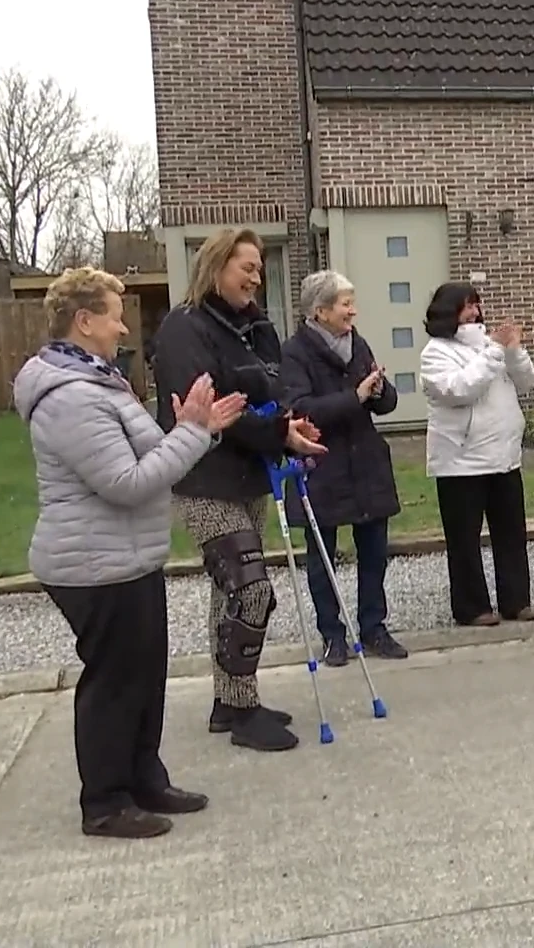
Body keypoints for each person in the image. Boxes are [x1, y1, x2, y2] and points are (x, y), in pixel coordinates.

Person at [14, 267, 243, 839]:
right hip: (92, 565)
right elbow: (127, 482)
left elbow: (153, 453)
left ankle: (144, 778)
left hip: (128, 557)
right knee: (114, 682)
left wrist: (199, 428)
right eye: (115, 315)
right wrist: (191, 435)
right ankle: (106, 803)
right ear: (84, 321)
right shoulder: (70, 398)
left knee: (145, 676)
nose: (123, 327)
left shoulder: (101, 381)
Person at [150, 226, 326, 753]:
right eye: (245, 265)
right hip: (205, 478)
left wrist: (290, 428)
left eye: (258, 267)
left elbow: (270, 394)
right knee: (251, 589)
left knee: (229, 591)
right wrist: (273, 431)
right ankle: (243, 711)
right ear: (215, 265)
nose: (255, 275)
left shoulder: (259, 328)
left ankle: (230, 700)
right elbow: (211, 409)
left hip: (252, 475)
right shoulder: (185, 328)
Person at [279, 270, 409, 665]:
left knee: (374, 552)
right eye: (345, 304)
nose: (353, 311)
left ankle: (373, 627)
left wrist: (381, 390)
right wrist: (354, 396)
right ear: (319, 311)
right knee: (322, 557)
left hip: (365, 461)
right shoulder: (295, 352)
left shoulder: (358, 343)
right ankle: (332, 634)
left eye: (352, 302)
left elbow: (383, 404)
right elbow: (301, 409)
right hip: (321, 464)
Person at [420, 282, 534, 625]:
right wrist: (495, 352)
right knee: (464, 541)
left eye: (476, 305)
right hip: (460, 462)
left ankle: (516, 601)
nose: (475, 313)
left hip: (504, 456)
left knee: (512, 534)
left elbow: (527, 382)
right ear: (448, 312)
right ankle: (472, 607)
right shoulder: (436, 352)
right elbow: (459, 390)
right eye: (466, 306)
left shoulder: (493, 346)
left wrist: (514, 351)